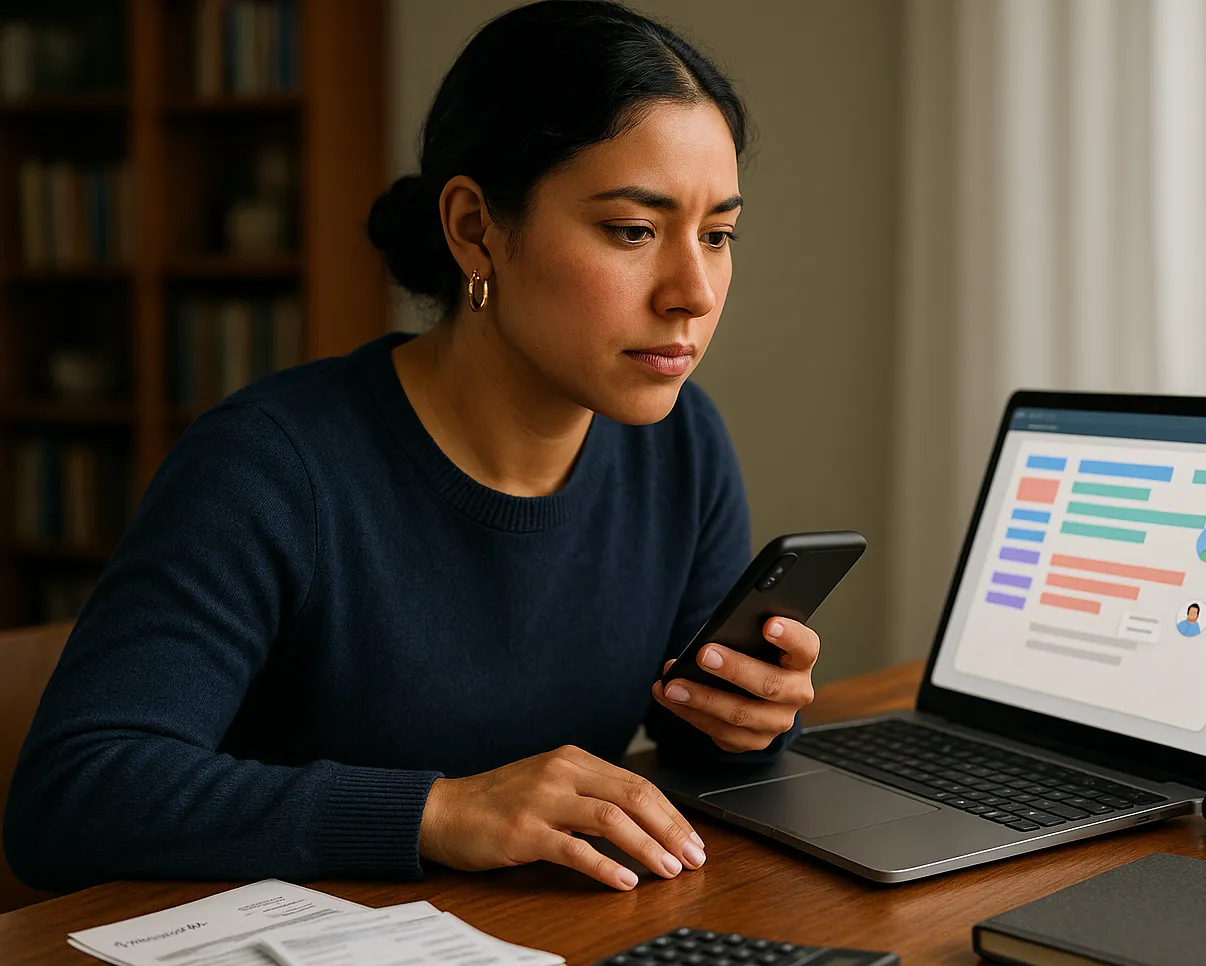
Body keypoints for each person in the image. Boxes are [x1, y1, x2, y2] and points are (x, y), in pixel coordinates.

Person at [4, 1, 816, 896]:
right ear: (474, 229)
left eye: (718, 235)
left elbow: (687, 743)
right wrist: (439, 813)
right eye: (633, 230)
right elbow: (69, 800)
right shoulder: (269, 466)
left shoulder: (684, 448)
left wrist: (747, 716)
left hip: (539, 954)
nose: (694, 292)